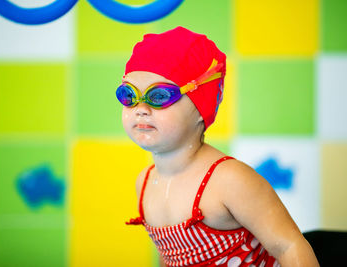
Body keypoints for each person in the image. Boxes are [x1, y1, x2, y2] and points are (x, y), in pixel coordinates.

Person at [117, 26, 319, 267]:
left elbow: (290, 246)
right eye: (129, 95)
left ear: (200, 110)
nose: (140, 108)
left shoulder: (229, 180)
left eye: (159, 96)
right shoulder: (145, 182)